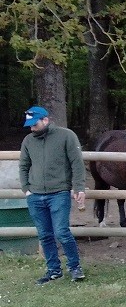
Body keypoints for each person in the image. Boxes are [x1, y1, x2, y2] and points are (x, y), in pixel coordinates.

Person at [19, 106, 87, 284]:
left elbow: (77, 163)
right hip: (35, 195)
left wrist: (79, 187)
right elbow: (24, 165)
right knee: (44, 234)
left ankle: (75, 267)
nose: (32, 128)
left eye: (35, 124)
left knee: (62, 232)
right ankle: (53, 270)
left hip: (59, 193)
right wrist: (26, 188)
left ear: (46, 120)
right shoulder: (28, 141)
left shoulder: (66, 136)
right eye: (30, 125)